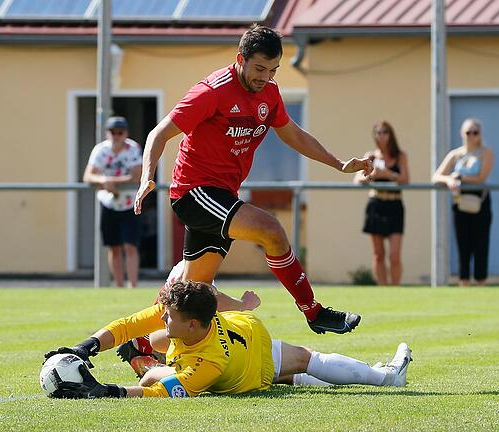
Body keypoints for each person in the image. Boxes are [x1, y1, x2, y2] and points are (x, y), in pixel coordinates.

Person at [133, 24, 372, 334]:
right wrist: (145, 178)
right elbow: (159, 133)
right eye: (259, 68)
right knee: (271, 229)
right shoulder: (212, 91)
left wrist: (339, 164)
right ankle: (314, 312)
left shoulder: (269, 94)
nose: (266, 76)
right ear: (240, 59)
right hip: (194, 192)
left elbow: (294, 135)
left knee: (193, 294)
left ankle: (139, 342)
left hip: (223, 195)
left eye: (273, 70)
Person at [43, 280, 413, 399]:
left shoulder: (208, 365)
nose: (163, 314)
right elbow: (126, 324)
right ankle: (381, 374)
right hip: (242, 326)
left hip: (253, 362)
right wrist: (85, 346)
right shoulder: (183, 314)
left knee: (302, 363)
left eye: (169, 315)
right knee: (152, 338)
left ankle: (388, 377)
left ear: (192, 325)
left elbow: (161, 391)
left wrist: (108, 390)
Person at [432, 118, 494, 286]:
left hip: (480, 202)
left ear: (480, 134)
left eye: (475, 132)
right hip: (460, 202)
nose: (471, 136)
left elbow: (482, 177)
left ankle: (481, 283)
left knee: (481, 244)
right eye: (468, 132)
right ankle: (464, 282)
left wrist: (460, 177)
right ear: (462, 134)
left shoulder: (485, 153)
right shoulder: (455, 154)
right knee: (463, 245)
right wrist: (448, 180)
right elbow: (436, 176)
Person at [83, 116, 143, 288]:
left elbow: (136, 175)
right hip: (108, 203)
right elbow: (88, 176)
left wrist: (111, 182)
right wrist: (105, 182)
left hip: (130, 203)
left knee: (130, 246)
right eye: (113, 132)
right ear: (107, 134)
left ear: (126, 133)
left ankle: (133, 286)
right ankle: (119, 286)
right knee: (114, 246)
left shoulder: (132, 148)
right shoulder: (101, 150)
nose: (117, 136)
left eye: (120, 132)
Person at [353, 121, 409, 286]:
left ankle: (395, 288)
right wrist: (373, 175)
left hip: (394, 204)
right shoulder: (370, 156)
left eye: (385, 132)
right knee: (378, 254)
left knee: (394, 255)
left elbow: (405, 179)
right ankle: (382, 289)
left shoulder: (400, 156)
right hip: (376, 203)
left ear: (391, 134)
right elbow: (357, 179)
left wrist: (389, 174)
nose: (381, 135)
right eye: (378, 132)